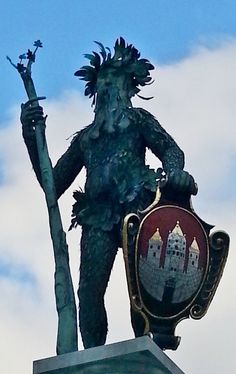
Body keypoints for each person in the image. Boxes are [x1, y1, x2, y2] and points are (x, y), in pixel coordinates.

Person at [21, 37, 196, 348]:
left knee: (141, 288)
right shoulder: (87, 138)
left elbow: (171, 149)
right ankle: (93, 357)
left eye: (111, 79)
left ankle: (145, 345)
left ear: (128, 85)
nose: (105, 86)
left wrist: (175, 173)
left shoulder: (138, 121)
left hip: (137, 205)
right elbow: (53, 183)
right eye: (101, 80)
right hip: (98, 214)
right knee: (88, 291)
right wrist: (31, 136)